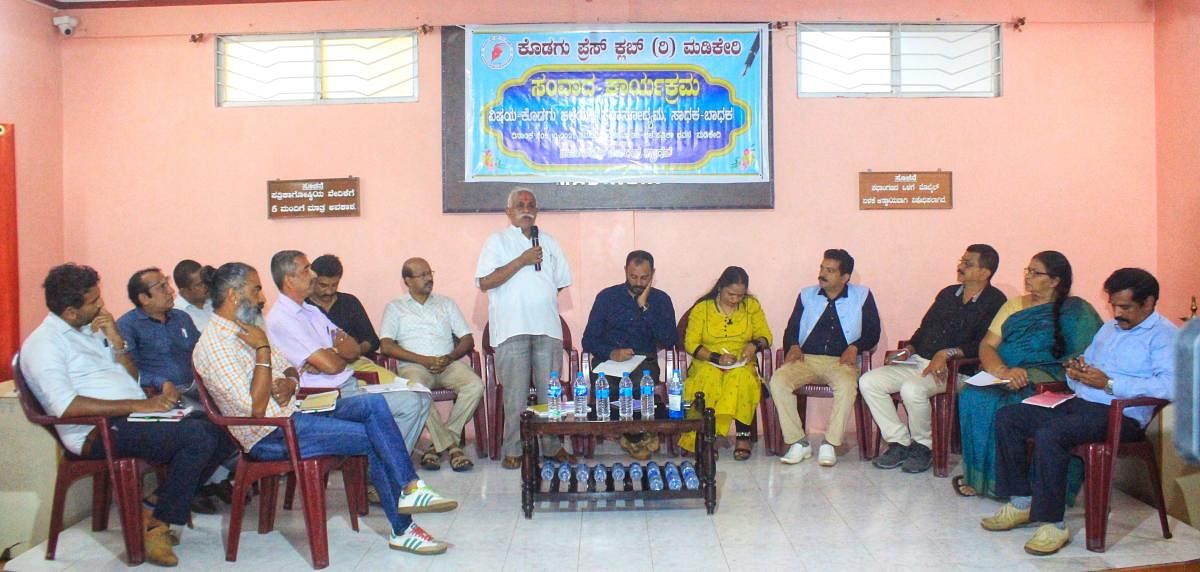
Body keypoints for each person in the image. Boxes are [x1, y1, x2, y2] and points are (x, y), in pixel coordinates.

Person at [192, 262, 458, 555]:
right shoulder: (215, 344)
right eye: (256, 290)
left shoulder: (249, 328)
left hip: (293, 413)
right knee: (376, 438)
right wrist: (264, 352)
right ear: (233, 295)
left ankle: (410, 488)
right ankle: (404, 527)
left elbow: (289, 369)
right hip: (269, 435)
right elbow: (255, 409)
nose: (261, 298)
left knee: (372, 405)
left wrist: (290, 383)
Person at [20, 263, 235, 566]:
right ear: (69, 311)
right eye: (94, 301)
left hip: (131, 418)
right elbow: (66, 406)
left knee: (224, 430)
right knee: (196, 437)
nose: (102, 306)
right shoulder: (44, 345)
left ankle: (153, 505)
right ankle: (157, 525)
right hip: (97, 430)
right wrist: (138, 406)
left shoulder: (90, 330)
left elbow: (131, 378)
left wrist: (116, 342)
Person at [982, 268, 1175, 556]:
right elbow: (1088, 367)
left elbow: (1168, 386)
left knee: (1052, 432)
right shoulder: (1110, 328)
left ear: (1149, 303)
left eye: (1126, 307)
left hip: (1121, 414)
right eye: (1113, 305)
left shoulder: (1165, 336)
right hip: (1082, 402)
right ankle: (1022, 503)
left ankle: (1052, 524)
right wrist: (1076, 372)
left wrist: (1110, 383)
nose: (1117, 313)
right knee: (1010, 417)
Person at [954, 250, 1102, 498]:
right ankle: (984, 479)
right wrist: (1003, 370)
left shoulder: (1077, 312)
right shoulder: (1014, 305)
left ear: (1055, 281)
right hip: (1006, 375)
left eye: (1035, 272)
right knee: (972, 394)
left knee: (1001, 404)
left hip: (1050, 384)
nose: (1028, 277)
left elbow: (1083, 359)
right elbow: (987, 345)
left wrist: (1029, 376)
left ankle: (1019, 483)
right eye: (1027, 271)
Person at [265, 250, 430, 454]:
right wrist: (335, 354)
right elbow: (333, 365)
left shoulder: (311, 311)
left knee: (422, 398)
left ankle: (383, 468)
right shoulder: (283, 319)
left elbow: (352, 350)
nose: (313, 275)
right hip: (325, 396)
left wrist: (332, 352)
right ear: (289, 280)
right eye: (306, 270)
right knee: (411, 403)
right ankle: (387, 468)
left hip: (345, 384)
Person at [859, 245, 1006, 473]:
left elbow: (984, 345)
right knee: (869, 381)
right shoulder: (948, 293)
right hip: (921, 362)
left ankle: (924, 447)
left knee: (912, 389)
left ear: (985, 272)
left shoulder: (995, 301)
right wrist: (907, 350)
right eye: (961, 260)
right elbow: (924, 329)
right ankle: (899, 442)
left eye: (968, 264)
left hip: (957, 371)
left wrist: (946, 354)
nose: (960, 266)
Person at [117, 266, 237, 513]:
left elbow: (200, 353)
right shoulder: (128, 325)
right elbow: (127, 370)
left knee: (233, 424)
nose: (170, 290)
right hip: (158, 398)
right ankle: (190, 490)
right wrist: (160, 381)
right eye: (161, 287)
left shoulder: (181, 318)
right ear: (143, 298)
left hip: (194, 391)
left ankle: (179, 491)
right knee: (211, 427)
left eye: (167, 283)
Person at [475, 187, 574, 469]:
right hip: (511, 329)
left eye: (531, 204)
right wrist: (522, 260)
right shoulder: (496, 242)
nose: (526, 208)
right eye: (520, 204)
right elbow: (484, 282)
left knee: (550, 394)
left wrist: (536, 295)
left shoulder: (550, 241)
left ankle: (553, 447)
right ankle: (514, 449)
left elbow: (561, 280)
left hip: (546, 328)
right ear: (509, 212)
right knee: (515, 395)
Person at [771, 249, 880, 467]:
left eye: (829, 270)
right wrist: (792, 345)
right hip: (807, 359)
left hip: (841, 362)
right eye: (822, 268)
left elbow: (873, 332)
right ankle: (798, 443)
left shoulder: (862, 295)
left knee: (847, 385)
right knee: (778, 381)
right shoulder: (806, 294)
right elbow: (791, 328)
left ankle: (830, 443)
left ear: (845, 277)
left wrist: (856, 347)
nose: (822, 273)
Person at [379, 257, 484, 472]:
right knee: (416, 390)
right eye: (422, 275)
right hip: (414, 365)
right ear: (407, 280)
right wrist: (423, 360)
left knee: (475, 385)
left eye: (430, 273)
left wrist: (450, 357)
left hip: (447, 363)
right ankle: (453, 447)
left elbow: (467, 339)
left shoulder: (446, 303)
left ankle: (437, 445)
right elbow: (386, 346)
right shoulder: (395, 307)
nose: (429, 278)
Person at [581, 250, 677, 460]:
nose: (638, 282)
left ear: (652, 273)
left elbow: (670, 339)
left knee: (639, 384)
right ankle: (636, 438)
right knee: (612, 385)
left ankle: (633, 437)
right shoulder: (607, 297)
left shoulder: (661, 300)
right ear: (625, 271)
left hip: (645, 361)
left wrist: (645, 308)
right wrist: (611, 352)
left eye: (644, 277)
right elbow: (588, 340)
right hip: (609, 361)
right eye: (633, 276)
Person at [677, 266, 771, 460]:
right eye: (731, 294)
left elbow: (766, 336)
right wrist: (716, 358)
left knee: (741, 377)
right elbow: (691, 343)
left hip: (741, 362)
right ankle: (708, 438)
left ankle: (743, 436)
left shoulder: (751, 306)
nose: (735, 300)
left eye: (740, 295)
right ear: (720, 287)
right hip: (707, 362)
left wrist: (754, 345)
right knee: (708, 379)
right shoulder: (702, 308)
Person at [307, 254, 381, 357]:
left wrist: (351, 352)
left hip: (354, 362)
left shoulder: (349, 302)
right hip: (316, 365)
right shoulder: (303, 305)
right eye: (323, 285)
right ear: (312, 280)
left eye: (334, 285)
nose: (329, 291)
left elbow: (372, 340)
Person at [172, 259, 214, 331]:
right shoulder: (176, 315)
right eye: (200, 284)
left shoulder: (216, 299)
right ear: (184, 291)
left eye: (205, 280)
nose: (206, 285)